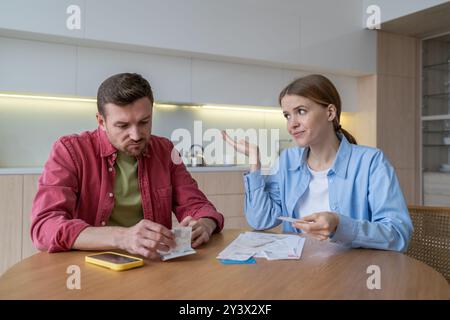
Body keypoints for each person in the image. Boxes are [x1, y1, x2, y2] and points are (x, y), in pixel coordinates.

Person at [31, 73, 224, 259]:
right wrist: (123, 237)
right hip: (89, 268)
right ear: (101, 122)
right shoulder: (70, 151)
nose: (136, 135)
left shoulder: (165, 151)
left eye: (144, 122)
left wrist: (206, 224)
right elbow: (44, 226)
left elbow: (196, 204)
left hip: (152, 266)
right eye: (123, 126)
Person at [223, 74, 413, 252]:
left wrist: (340, 224)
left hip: (352, 274)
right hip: (298, 272)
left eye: (301, 111)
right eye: (287, 115)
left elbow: (398, 236)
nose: (292, 124)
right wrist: (255, 163)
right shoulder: (287, 160)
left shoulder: (371, 162)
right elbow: (260, 220)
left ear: (330, 113)